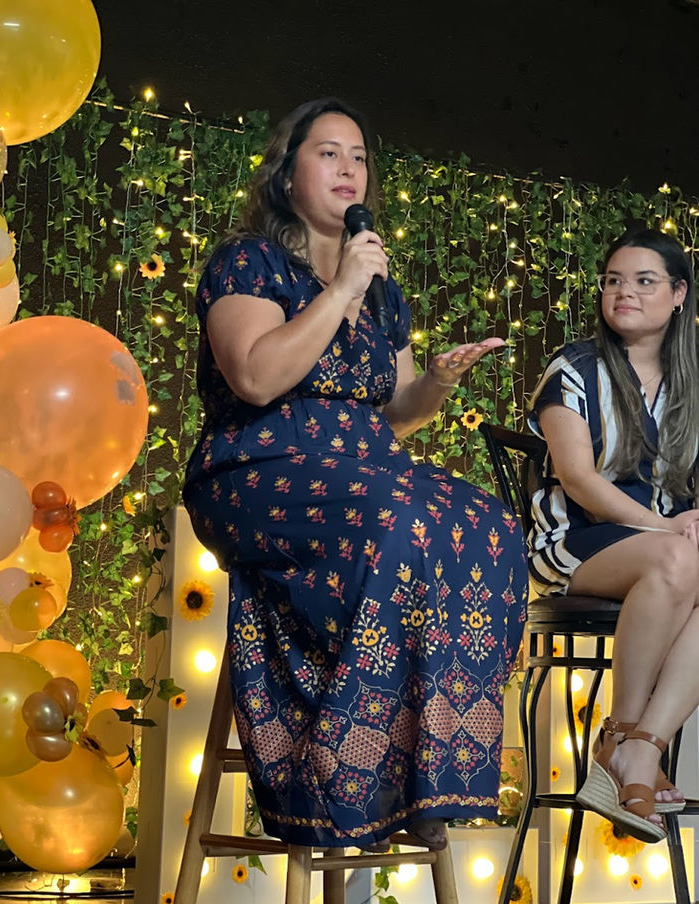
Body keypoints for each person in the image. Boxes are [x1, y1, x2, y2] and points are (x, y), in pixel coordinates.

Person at [183, 97, 527, 852]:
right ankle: (353, 770)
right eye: (329, 153)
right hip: (258, 470)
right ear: (287, 175)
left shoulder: (381, 289)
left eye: (360, 156)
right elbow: (255, 377)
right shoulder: (249, 262)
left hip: (361, 473)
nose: (349, 168)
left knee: (491, 524)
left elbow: (394, 414)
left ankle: (424, 770)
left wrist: (436, 380)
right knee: (399, 517)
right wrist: (338, 290)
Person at [528, 226, 699, 843]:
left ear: (678, 294)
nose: (624, 292)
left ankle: (640, 747)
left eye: (644, 281)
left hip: (669, 553)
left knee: (681, 562)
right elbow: (577, 479)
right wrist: (669, 528)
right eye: (613, 281)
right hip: (576, 543)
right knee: (677, 561)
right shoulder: (574, 368)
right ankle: (625, 737)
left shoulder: (693, 381)